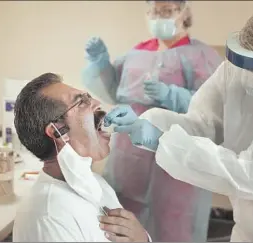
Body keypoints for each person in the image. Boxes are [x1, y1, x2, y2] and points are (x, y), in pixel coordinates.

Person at [104, 2, 253, 242]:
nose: (251, 74)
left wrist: (164, 143)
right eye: (248, 61)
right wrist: (149, 125)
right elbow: (201, 125)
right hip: (245, 231)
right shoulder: (236, 70)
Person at [82, 1, 222, 241]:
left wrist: (172, 95)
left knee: (172, 224)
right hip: (129, 155)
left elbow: (212, 108)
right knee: (123, 219)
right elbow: (112, 90)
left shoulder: (201, 55)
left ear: (183, 13)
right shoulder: (137, 52)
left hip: (174, 161)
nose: (160, 17)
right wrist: (99, 63)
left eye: (167, 11)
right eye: (155, 11)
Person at [12, 73, 151, 242]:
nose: (97, 104)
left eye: (89, 98)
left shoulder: (97, 184)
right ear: (58, 131)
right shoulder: (49, 215)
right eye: (81, 102)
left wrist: (143, 238)